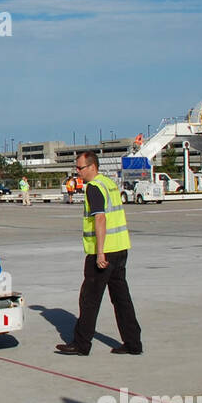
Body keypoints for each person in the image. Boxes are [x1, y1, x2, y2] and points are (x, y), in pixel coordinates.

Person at [56, 151, 143, 356]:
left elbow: (100, 219)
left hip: (104, 252)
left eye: (80, 168)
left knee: (89, 299)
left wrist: (100, 253)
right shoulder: (109, 183)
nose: (77, 172)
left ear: (92, 167)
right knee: (122, 299)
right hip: (120, 248)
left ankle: (81, 344)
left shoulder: (94, 187)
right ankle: (133, 343)